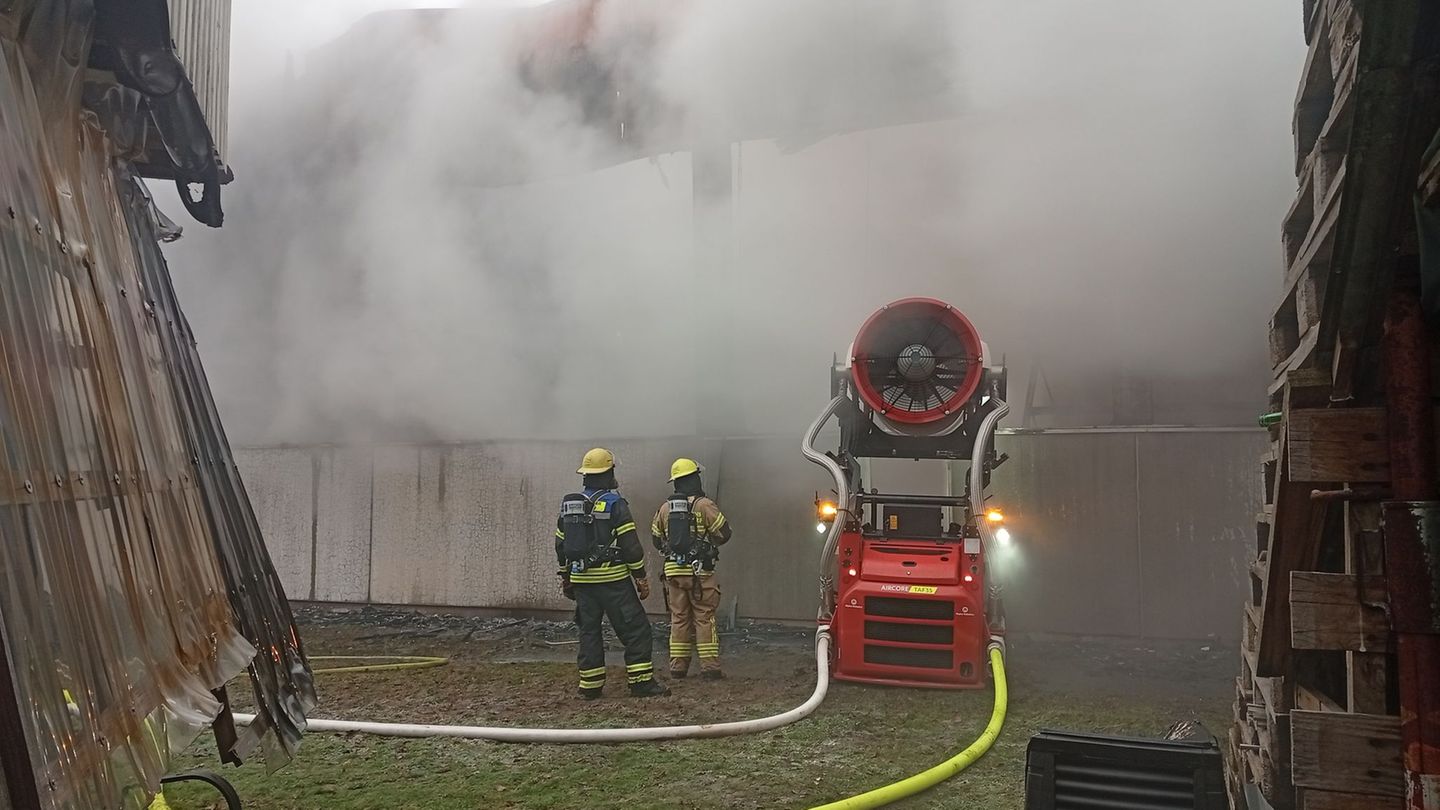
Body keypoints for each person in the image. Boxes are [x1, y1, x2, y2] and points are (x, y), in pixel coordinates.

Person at [555, 448, 668, 699]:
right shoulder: (616, 504)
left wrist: (566, 577)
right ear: (609, 473)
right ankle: (641, 683)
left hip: (583, 582)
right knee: (636, 629)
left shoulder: (570, 506)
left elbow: (560, 545)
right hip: (613, 581)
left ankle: (590, 686)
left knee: (589, 631)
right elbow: (630, 546)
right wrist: (640, 577)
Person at [650, 458, 733, 680]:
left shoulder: (665, 508)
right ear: (694, 478)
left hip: (674, 573)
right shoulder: (704, 505)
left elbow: (656, 539)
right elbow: (724, 533)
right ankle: (710, 668)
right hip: (700, 573)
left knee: (679, 618)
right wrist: (705, 542)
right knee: (704, 617)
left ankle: (678, 668)